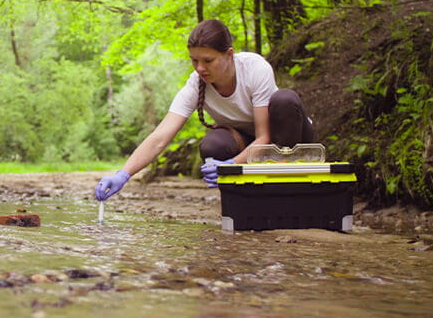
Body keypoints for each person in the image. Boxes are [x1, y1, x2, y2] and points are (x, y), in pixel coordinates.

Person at [94, 19, 314, 201]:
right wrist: (123, 174)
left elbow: (265, 137)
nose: (200, 68)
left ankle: (290, 191)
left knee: (285, 99)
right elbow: (159, 138)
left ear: (229, 54)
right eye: (194, 60)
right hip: (248, 143)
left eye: (208, 60)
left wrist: (230, 165)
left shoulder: (255, 68)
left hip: (287, 138)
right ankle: (247, 200)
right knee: (213, 144)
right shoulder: (195, 84)